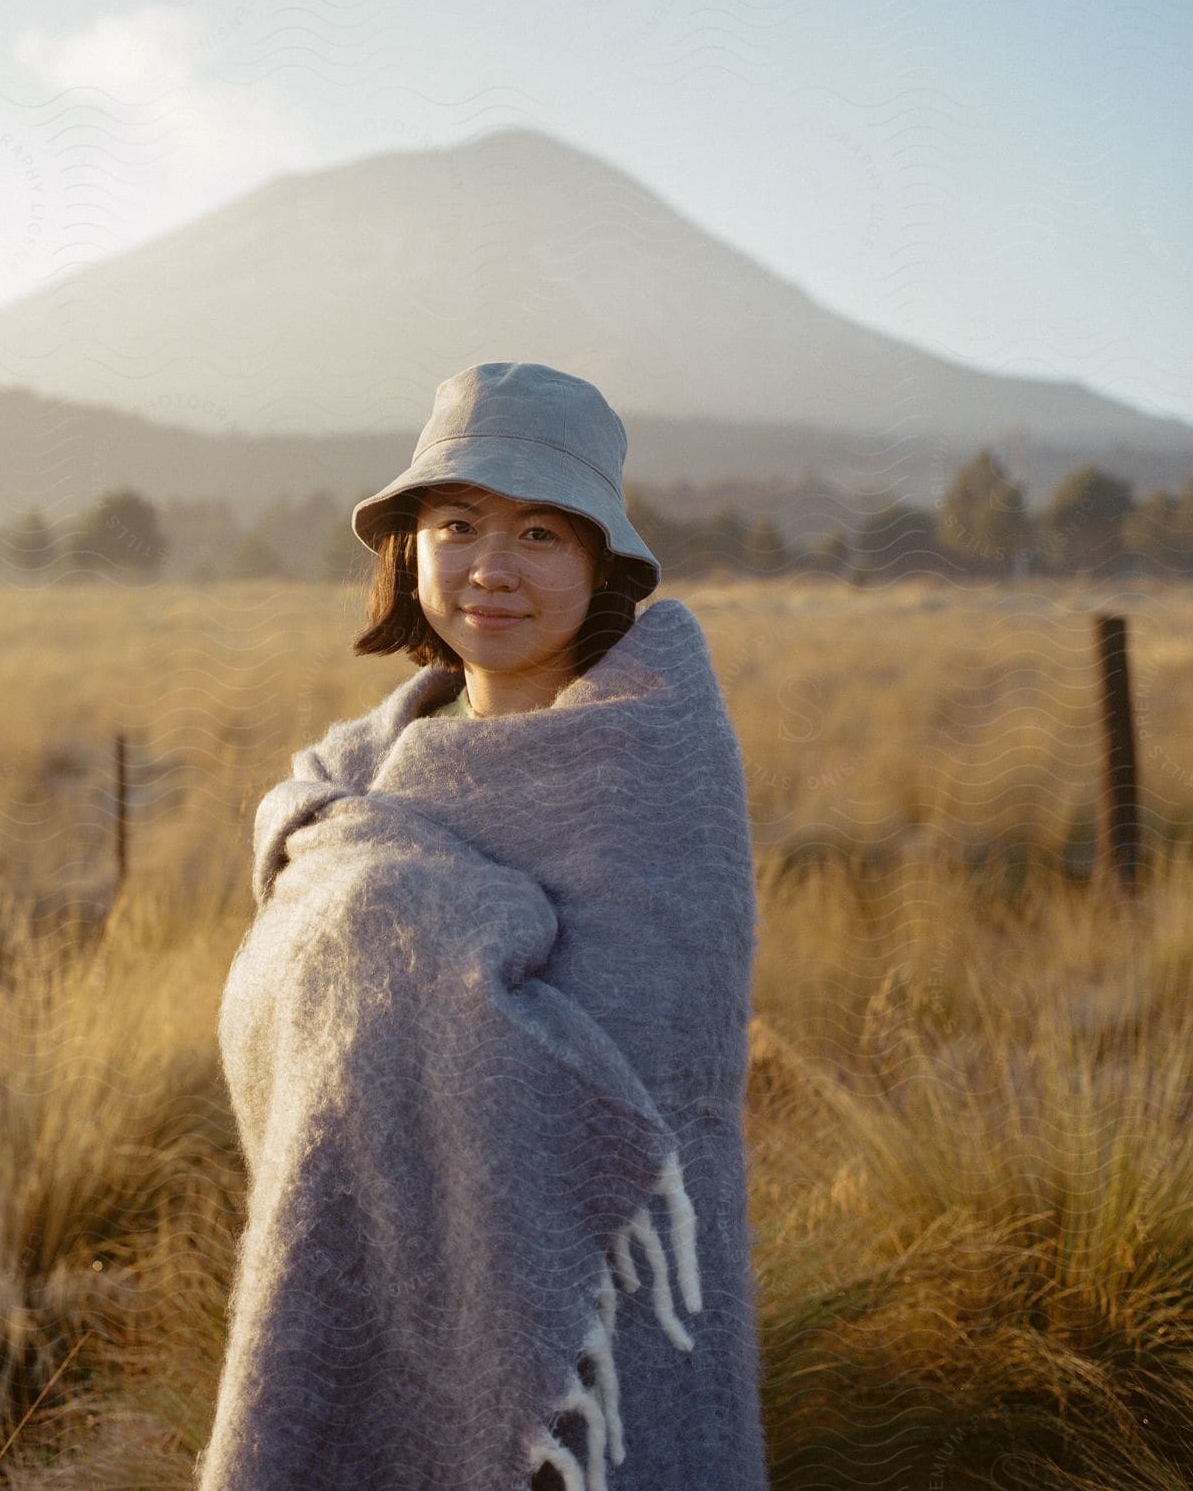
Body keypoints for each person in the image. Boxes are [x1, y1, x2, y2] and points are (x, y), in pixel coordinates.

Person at [199, 362, 769, 1491]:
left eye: (542, 534)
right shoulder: (344, 788)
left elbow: (652, 1065)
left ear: (600, 563)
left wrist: (409, 917)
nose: (491, 570)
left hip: (602, 1330)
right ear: (405, 550)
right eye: (456, 524)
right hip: (377, 1273)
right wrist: (416, 915)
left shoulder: (654, 763)